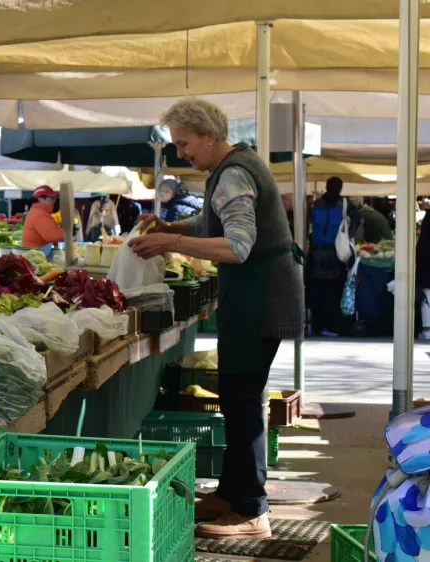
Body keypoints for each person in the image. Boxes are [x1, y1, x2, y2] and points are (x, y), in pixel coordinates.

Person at [128, 98, 304, 540]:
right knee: (236, 397)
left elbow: (237, 245)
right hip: (257, 296)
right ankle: (231, 493)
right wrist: (172, 226)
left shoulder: (234, 173)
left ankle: (251, 511)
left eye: (185, 144)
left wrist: (173, 242)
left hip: (259, 299)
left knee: (243, 402)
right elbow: (213, 221)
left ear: (209, 135)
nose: (181, 153)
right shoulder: (233, 167)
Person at [305, 177, 360, 337]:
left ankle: (317, 325)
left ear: (327, 186)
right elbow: (356, 220)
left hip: (316, 253)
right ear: (340, 188)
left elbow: (310, 224)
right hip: (335, 254)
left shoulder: (317, 204)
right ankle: (330, 325)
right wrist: (348, 235)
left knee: (317, 291)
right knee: (333, 291)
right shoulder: (344, 204)